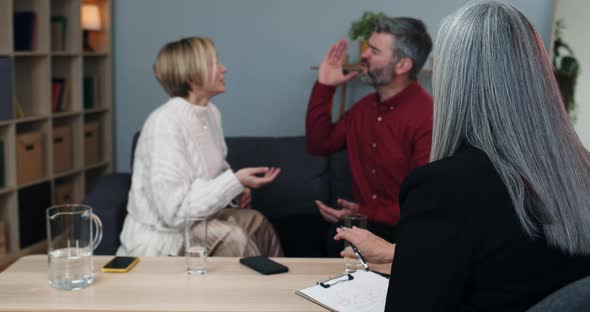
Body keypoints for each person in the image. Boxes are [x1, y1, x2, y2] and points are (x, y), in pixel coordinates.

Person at [336, 1, 590, 310]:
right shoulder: (582, 171)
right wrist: (401, 254)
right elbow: (503, 265)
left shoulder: (441, 188)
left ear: (453, 80)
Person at [117, 37, 283, 258]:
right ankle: (255, 292)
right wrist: (235, 181)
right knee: (232, 238)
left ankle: (279, 289)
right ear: (191, 77)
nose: (224, 69)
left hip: (198, 221)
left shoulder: (211, 114)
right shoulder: (164, 124)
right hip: (164, 238)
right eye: (214, 64)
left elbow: (213, 174)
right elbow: (174, 213)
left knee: (257, 222)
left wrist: (236, 192)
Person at [305, 16, 433, 255]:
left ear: (402, 65)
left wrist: (365, 212)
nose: (364, 55)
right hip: (364, 225)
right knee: (321, 239)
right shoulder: (362, 110)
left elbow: (423, 202)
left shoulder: (428, 116)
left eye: (374, 50)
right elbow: (319, 144)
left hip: (408, 233)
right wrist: (325, 86)